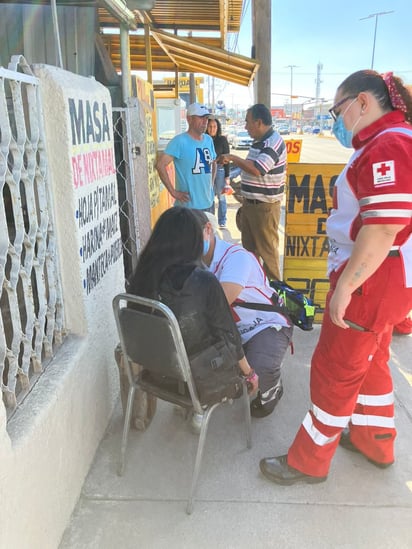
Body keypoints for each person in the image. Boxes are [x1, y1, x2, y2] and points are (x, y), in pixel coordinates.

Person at [259, 70, 412, 485]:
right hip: (385, 278)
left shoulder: (389, 144)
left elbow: (383, 227)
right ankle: (374, 438)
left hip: (371, 278)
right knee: (373, 359)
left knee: (335, 369)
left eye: (338, 109)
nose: (336, 121)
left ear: (364, 102)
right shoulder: (391, 141)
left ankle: (308, 461)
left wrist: (345, 286)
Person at [127, 207, 259, 429]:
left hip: (152, 375)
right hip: (195, 382)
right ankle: (199, 412)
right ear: (193, 242)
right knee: (240, 364)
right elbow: (229, 337)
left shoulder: (141, 278)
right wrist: (250, 373)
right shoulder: (204, 282)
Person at [194, 210, 293, 418]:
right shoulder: (196, 262)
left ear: (208, 231)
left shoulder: (236, 258)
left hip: (264, 326)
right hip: (231, 329)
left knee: (257, 375)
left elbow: (217, 306)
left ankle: (272, 386)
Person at [217, 104, 287, 281]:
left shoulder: (273, 142)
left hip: (264, 209)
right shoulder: (260, 142)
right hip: (251, 205)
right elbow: (250, 170)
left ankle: (275, 297)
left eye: (248, 122)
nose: (246, 127)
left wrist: (232, 157)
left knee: (268, 254)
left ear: (259, 122)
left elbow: (257, 169)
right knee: (250, 254)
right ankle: (256, 289)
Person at [156, 103, 216, 212]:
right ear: (189, 119)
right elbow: (160, 165)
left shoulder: (208, 140)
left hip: (208, 202)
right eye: (201, 118)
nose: (205, 122)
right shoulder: (179, 141)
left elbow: (214, 162)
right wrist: (173, 192)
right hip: (188, 207)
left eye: (206, 118)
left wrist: (211, 183)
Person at [206, 117, 231, 228]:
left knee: (221, 197)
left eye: (214, 126)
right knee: (209, 196)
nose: (212, 129)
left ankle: (222, 221)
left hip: (220, 170)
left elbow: (227, 158)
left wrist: (227, 176)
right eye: (210, 126)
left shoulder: (222, 140)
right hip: (207, 171)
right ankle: (211, 221)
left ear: (218, 127)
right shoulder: (204, 139)